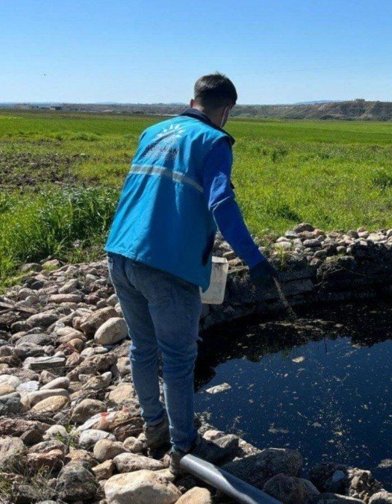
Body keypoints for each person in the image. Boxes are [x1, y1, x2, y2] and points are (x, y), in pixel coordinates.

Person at [104, 73, 276, 467]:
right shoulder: (214, 141)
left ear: (192, 99)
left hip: (120, 252)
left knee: (142, 347)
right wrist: (254, 259)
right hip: (167, 264)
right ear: (226, 110)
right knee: (179, 360)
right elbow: (221, 203)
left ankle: (154, 427)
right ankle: (185, 446)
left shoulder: (153, 132)